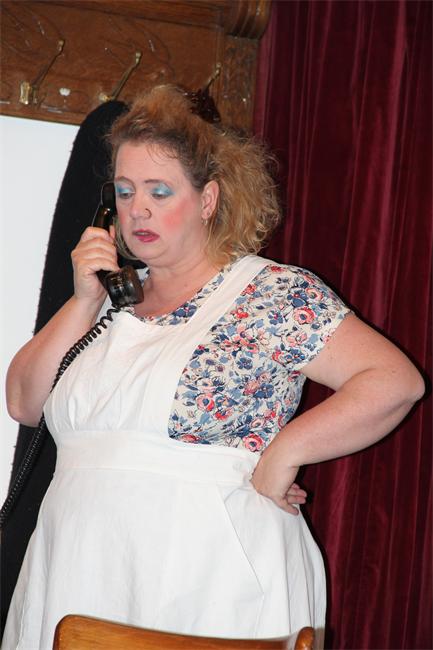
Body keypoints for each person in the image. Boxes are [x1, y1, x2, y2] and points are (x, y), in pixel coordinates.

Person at [3, 85, 424, 649]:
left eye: (160, 191)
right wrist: (83, 299)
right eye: (125, 192)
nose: (138, 209)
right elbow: (24, 402)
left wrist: (285, 454)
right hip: (77, 571)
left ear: (208, 200)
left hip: (209, 578)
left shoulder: (270, 293)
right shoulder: (107, 304)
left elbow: (394, 381)